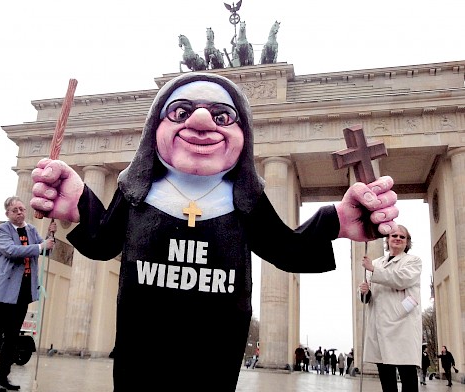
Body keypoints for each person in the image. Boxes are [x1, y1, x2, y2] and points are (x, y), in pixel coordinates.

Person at [30, 72, 398, 391]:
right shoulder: (137, 192)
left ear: (244, 133)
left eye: (223, 116)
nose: (203, 120)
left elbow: (285, 248)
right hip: (141, 348)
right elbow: (102, 242)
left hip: (217, 349)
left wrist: (335, 220)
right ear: (154, 127)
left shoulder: (245, 201)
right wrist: (78, 204)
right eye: (181, 112)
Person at [0, 196, 57, 392]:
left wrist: (50, 237)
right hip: (4, 292)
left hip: (23, 292)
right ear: (8, 213)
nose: (20, 212)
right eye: (15, 210)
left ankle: (2, 377)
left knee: (12, 337)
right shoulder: (2, 230)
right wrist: (41, 246)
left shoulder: (31, 230)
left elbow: (45, 249)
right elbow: (12, 251)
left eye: (22, 209)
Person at [359, 224, 422, 392]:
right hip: (379, 325)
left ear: (407, 242)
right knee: (386, 378)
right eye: (394, 235)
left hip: (402, 324)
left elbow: (401, 279)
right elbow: (369, 296)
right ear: (387, 239)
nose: (398, 239)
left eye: (402, 237)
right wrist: (365, 292)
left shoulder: (413, 261)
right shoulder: (376, 262)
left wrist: (373, 270)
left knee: (407, 375)